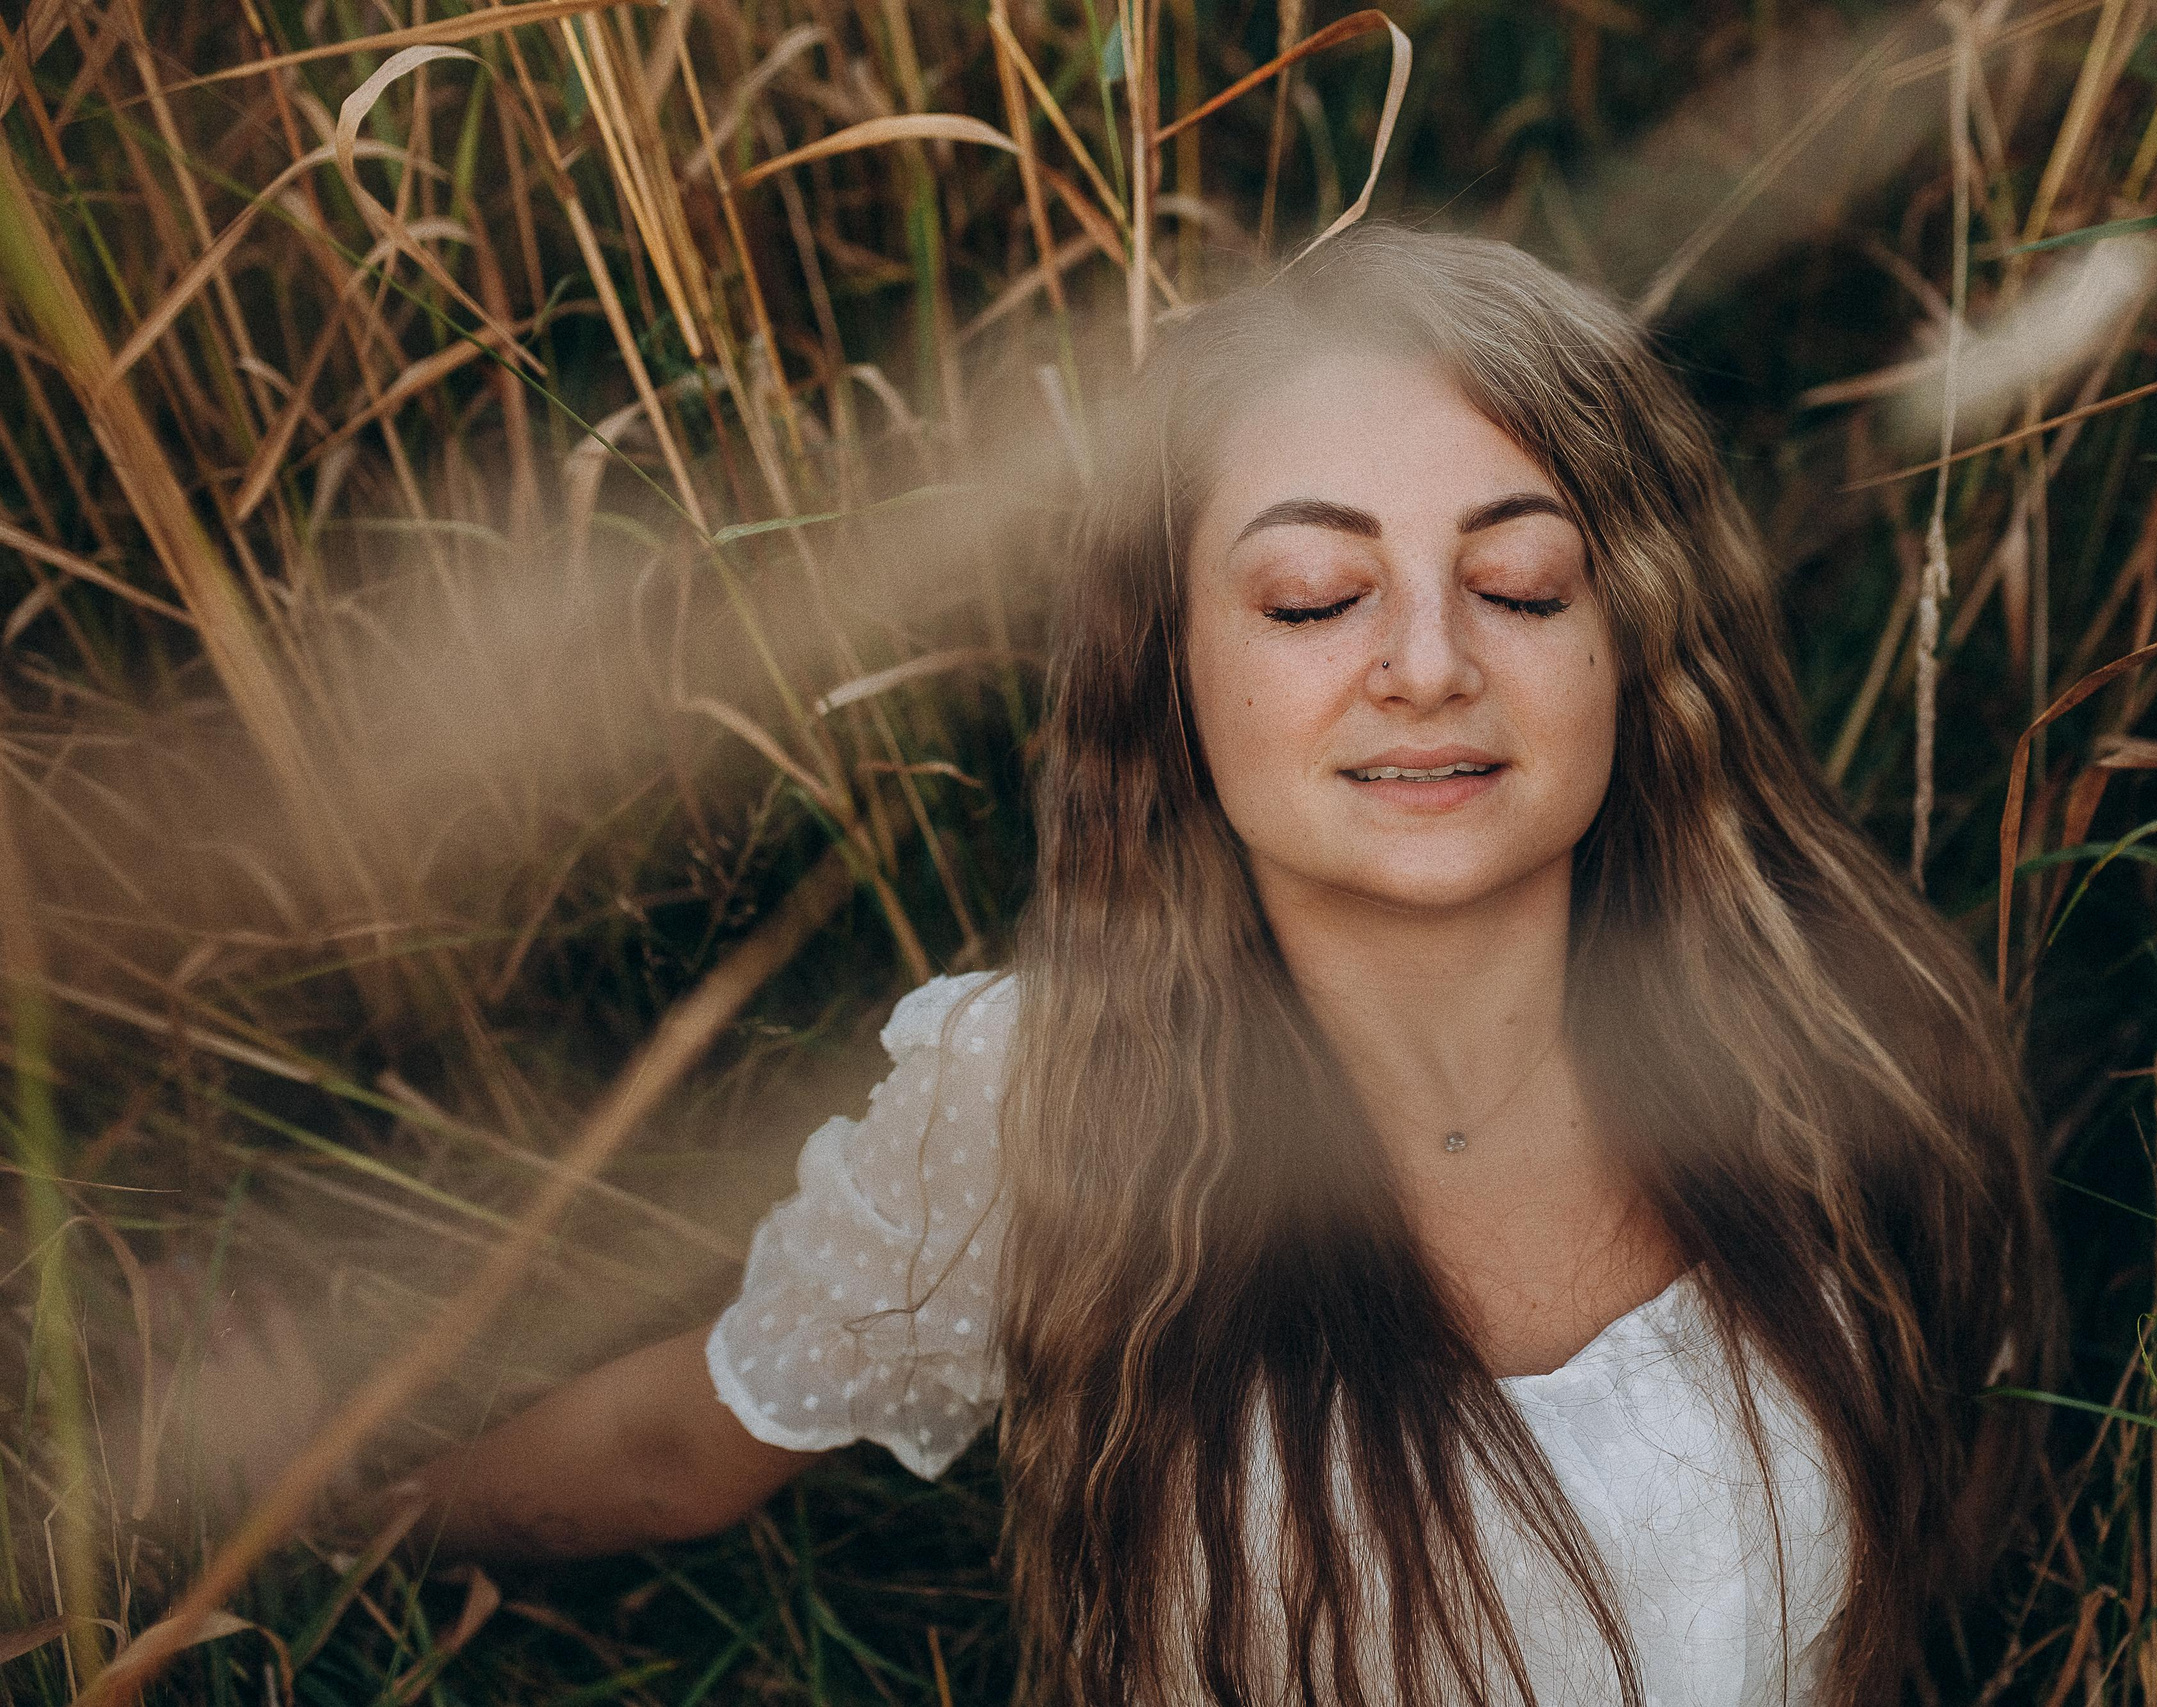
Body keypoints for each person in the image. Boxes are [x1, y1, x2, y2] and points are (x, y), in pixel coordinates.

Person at [395, 226, 2056, 1706]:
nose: (1426, 663)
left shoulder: (1822, 1032)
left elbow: (1952, 1522)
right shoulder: (1043, 1106)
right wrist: (351, 1534)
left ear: (1633, 635)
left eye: (1521, 582)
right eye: (1315, 595)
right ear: (1170, 664)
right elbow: (676, 1448)